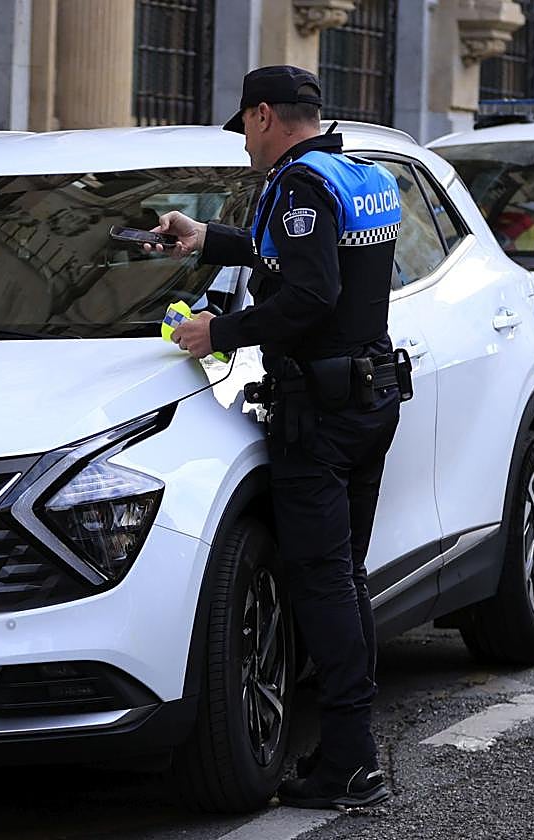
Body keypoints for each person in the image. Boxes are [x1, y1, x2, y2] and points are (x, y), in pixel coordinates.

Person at [158, 65, 405, 808]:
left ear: (265, 115)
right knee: (345, 579)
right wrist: (209, 239)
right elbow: (298, 257)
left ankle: (352, 763)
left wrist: (218, 330)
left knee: (322, 583)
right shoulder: (357, 173)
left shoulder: (297, 184)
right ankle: (347, 746)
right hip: (369, 396)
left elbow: (307, 292)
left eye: (246, 130)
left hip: (320, 415)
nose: (245, 149)